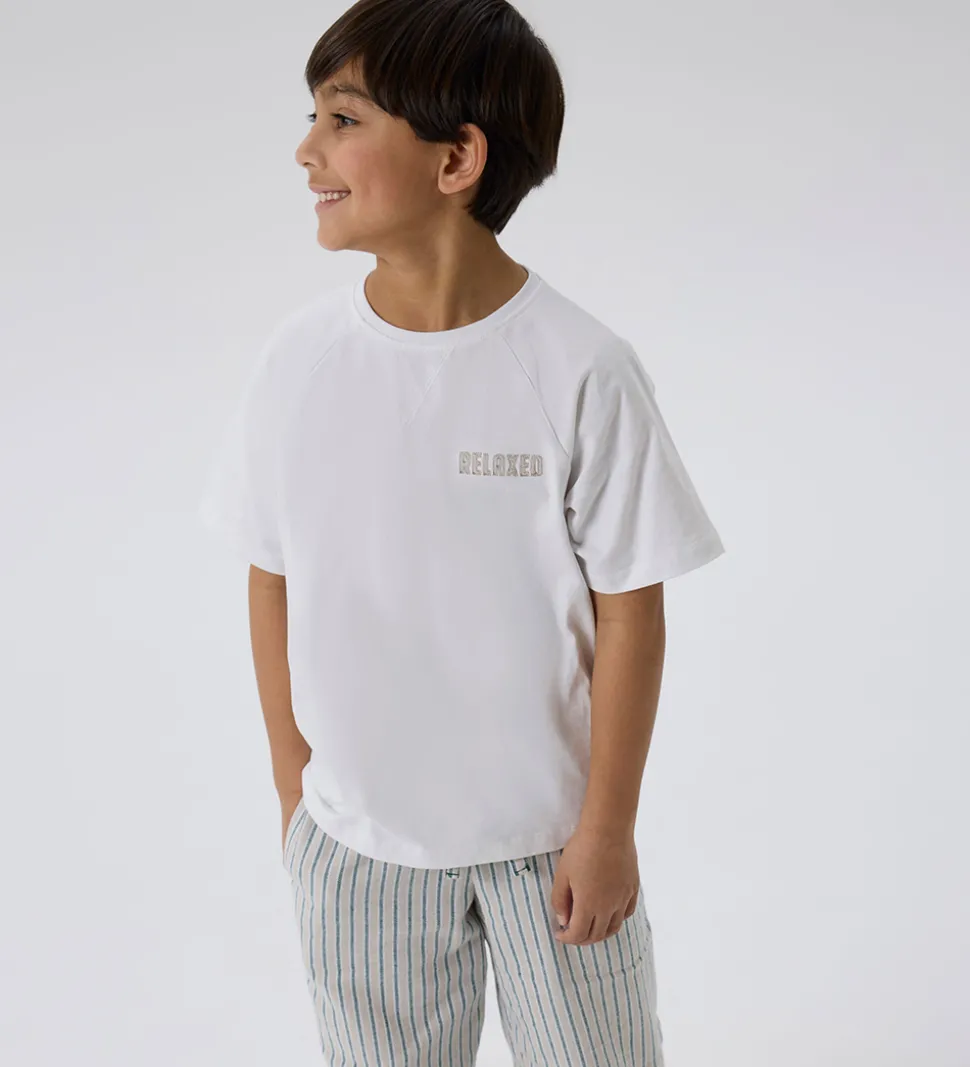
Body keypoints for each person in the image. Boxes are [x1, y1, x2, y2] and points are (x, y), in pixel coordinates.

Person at [199, 0, 725, 1062]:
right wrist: (293, 782)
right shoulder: (298, 364)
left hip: (552, 846)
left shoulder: (580, 369)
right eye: (313, 118)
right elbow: (270, 571)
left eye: (343, 119)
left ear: (456, 159)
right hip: (359, 848)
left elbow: (632, 612)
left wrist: (607, 829)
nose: (306, 151)